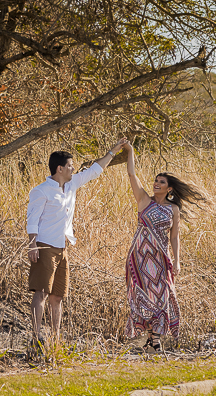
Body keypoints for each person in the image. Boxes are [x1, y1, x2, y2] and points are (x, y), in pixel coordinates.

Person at [26, 138, 127, 351]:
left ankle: (55, 339)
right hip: (44, 245)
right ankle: (36, 337)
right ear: (60, 168)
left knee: (57, 296)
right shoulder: (41, 190)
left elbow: (94, 170)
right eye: (70, 165)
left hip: (62, 247)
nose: (74, 168)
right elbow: (32, 219)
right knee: (41, 293)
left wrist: (113, 151)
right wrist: (32, 244)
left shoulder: (71, 185)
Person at [121, 139, 205, 351]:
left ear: (169, 189)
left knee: (163, 295)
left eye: (161, 182)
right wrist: (130, 151)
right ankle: (153, 341)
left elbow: (175, 236)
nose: (156, 184)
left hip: (161, 257)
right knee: (144, 296)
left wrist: (177, 261)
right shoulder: (143, 201)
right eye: (155, 181)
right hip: (140, 256)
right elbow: (132, 174)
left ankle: (154, 340)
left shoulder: (173, 209)